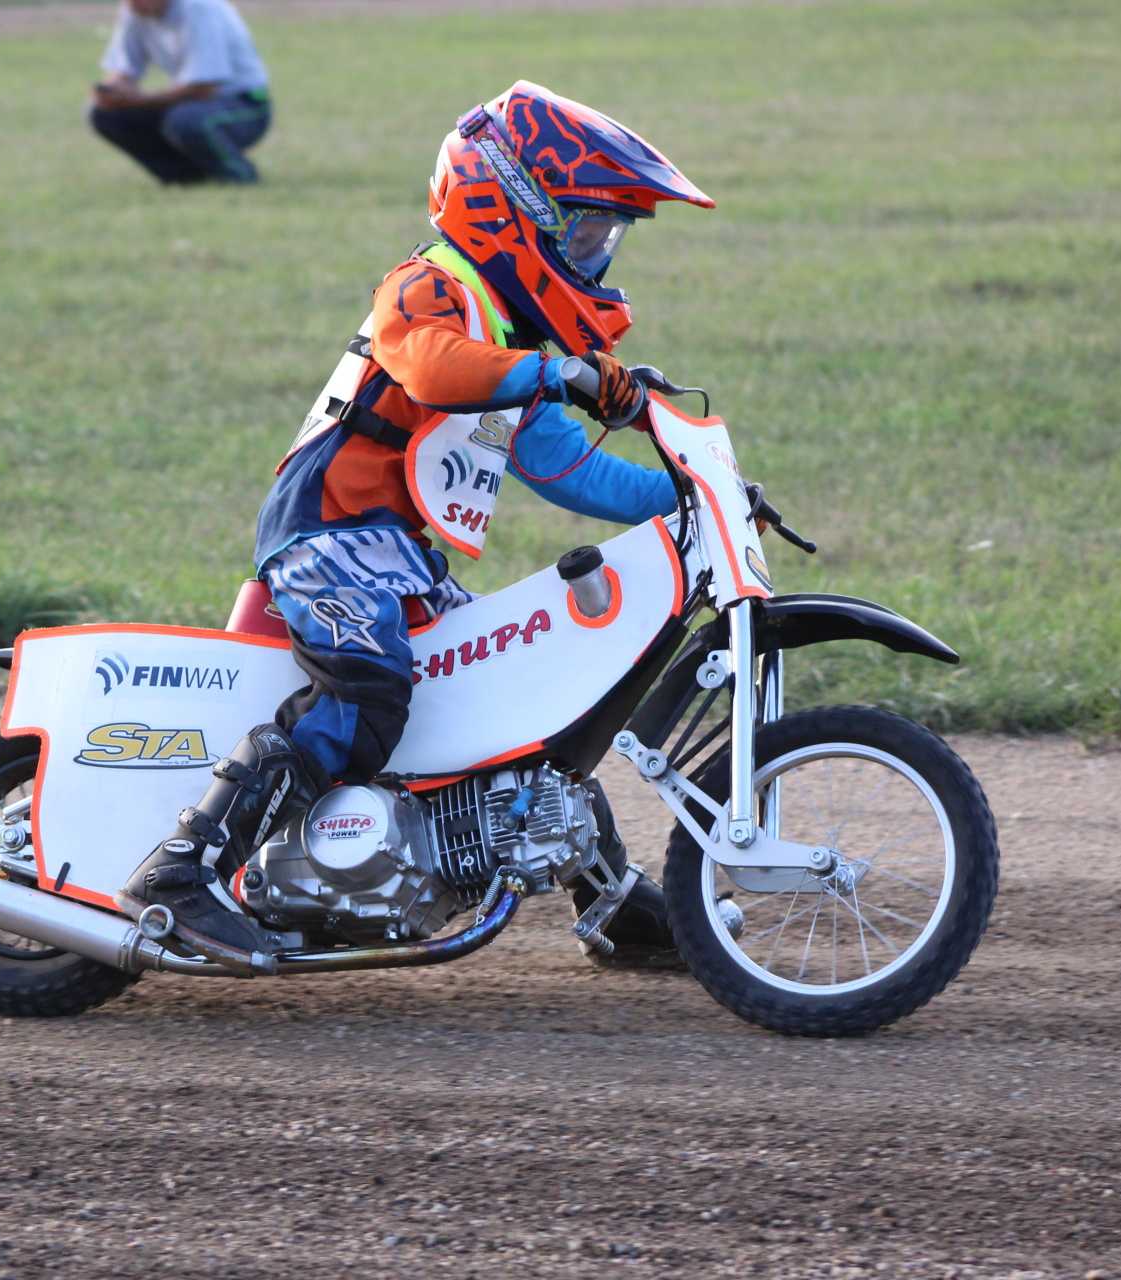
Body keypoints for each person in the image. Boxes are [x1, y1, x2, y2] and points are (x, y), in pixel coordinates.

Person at [117, 82, 714, 965]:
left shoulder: (510, 339)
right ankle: (180, 872)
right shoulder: (428, 285)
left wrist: (690, 494)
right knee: (369, 687)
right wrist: (560, 374)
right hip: (326, 535)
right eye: (586, 233)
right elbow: (434, 369)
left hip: (395, 555)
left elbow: (567, 466)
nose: (596, 256)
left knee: (527, 689)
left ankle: (609, 899)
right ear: (513, 207)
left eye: (606, 239)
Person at [88, 0, 271, 185]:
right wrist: (111, 92)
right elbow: (124, 70)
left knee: (186, 120)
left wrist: (136, 99)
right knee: (105, 115)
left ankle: (238, 174)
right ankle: (186, 176)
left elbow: (203, 88)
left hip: (245, 105)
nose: (131, 3)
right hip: (192, 105)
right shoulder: (136, 10)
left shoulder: (200, 7)